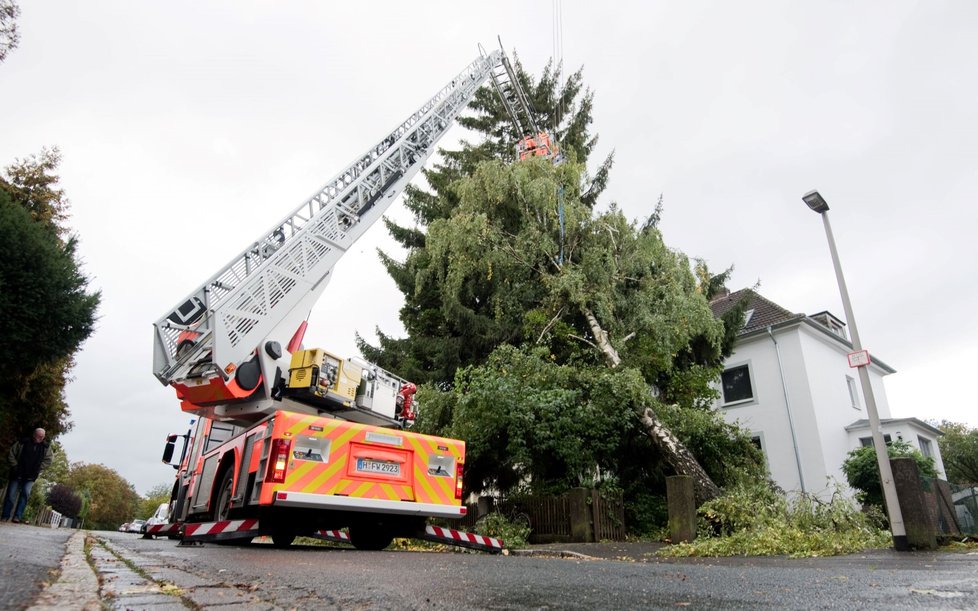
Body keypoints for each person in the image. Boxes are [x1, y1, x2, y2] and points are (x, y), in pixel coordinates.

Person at [2, 428, 53, 524]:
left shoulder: (46, 447)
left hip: (31, 475)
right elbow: (12, 453)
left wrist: (38, 468)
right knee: (10, 495)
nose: (40, 438)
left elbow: (49, 460)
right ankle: (5, 516)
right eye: (38, 436)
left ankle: (17, 516)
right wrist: (15, 465)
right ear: (34, 434)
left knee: (25, 494)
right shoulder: (23, 442)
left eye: (42, 436)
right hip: (17, 472)